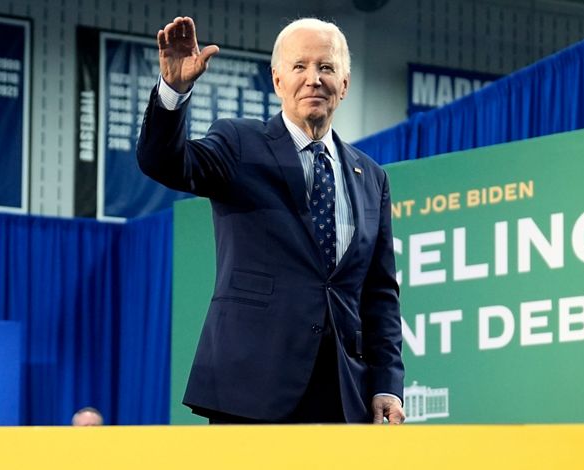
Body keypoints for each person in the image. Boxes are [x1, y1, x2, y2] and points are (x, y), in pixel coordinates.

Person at [138, 16, 405, 424]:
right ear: (278, 81)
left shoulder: (371, 177)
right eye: (300, 67)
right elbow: (166, 163)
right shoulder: (238, 143)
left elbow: (380, 294)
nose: (313, 79)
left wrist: (386, 383)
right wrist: (174, 90)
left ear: (345, 84)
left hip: (341, 393)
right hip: (250, 386)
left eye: (326, 67)